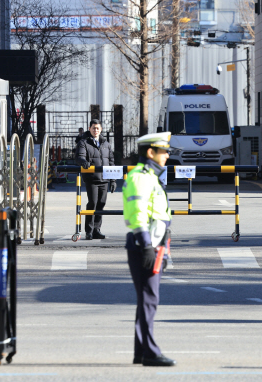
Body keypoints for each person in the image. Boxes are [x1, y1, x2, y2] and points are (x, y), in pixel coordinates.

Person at [123, 131, 176, 367]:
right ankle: (150, 352)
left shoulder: (151, 177)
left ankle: (141, 351)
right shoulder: (141, 178)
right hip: (146, 246)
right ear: (150, 152)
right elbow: (138, 215)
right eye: (163, 151)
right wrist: (146, 245)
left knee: (146, 299)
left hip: (154, 246)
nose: (166, 156)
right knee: (149, 299)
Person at [76, 119, 116, 240]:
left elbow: (111, 162)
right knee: (92, 203)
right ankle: (89, 230)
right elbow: (79, 157)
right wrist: (84, 162)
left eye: (98, 128)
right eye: (93, 128)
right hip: (92, 179)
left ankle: (97, 230)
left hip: (104, 179)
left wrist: (113, 180)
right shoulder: (84, 142)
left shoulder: (106, 144)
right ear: (90, 129)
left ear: (101, 129)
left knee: (101, 204)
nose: (96, 130)